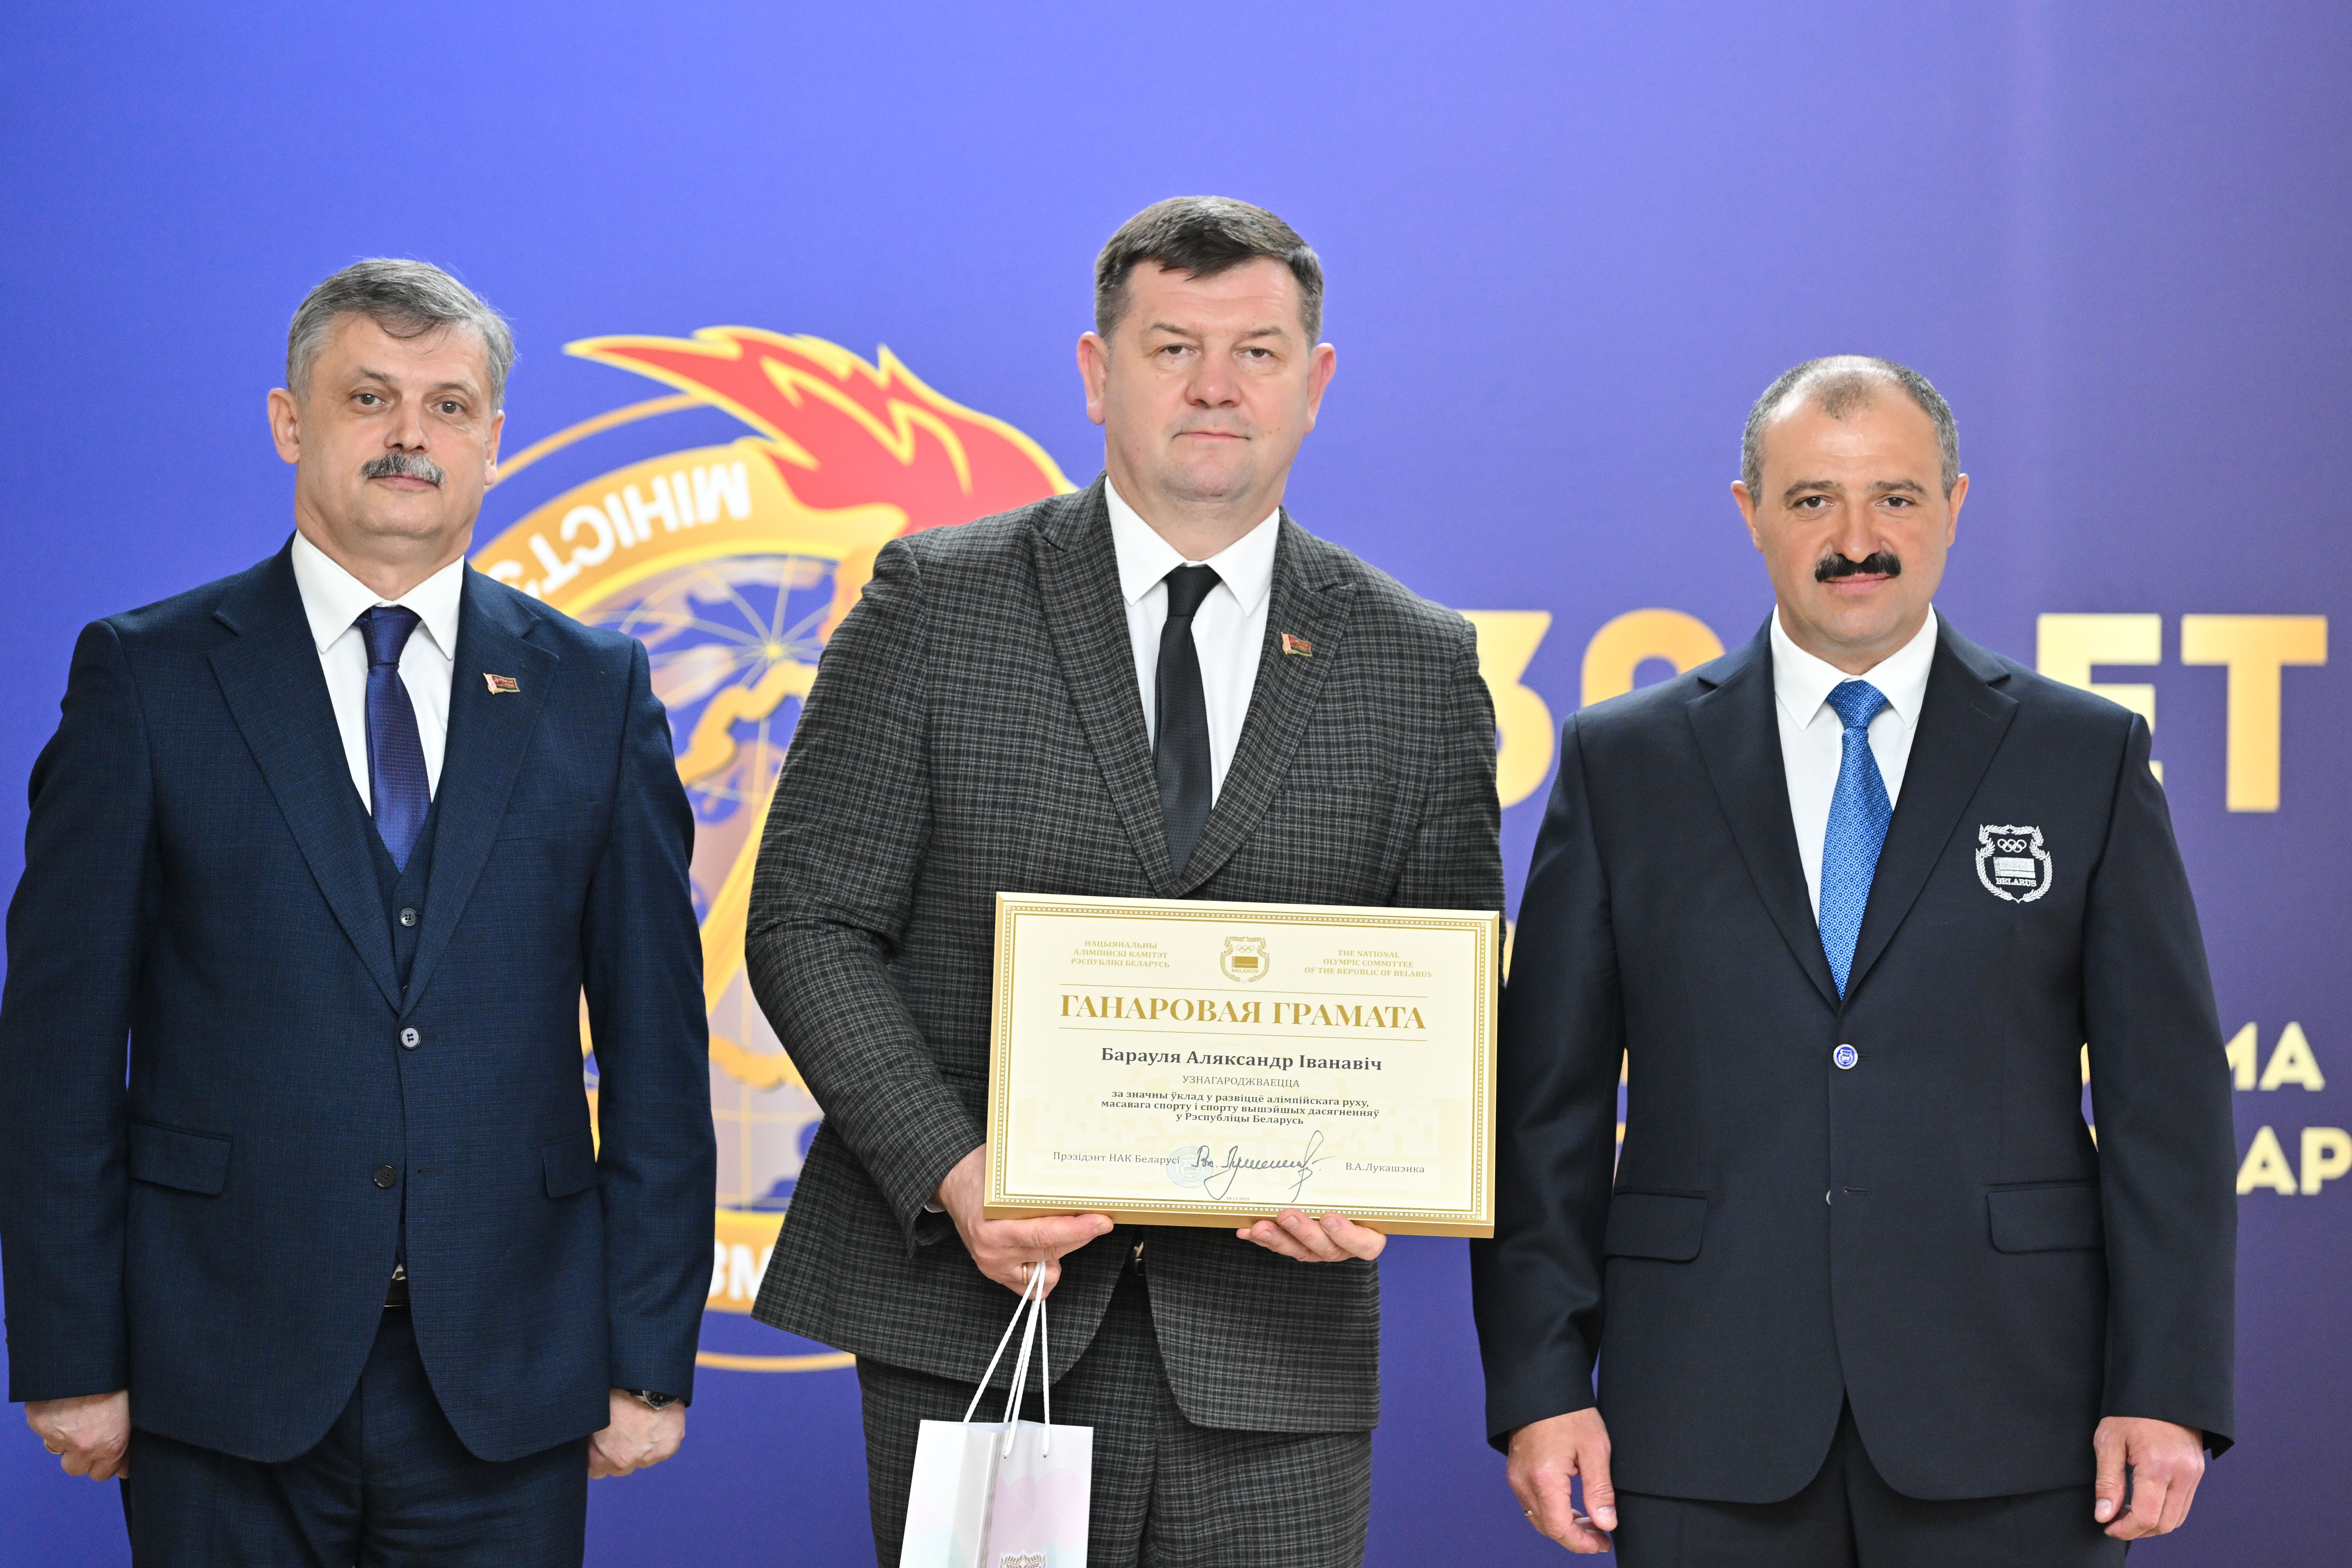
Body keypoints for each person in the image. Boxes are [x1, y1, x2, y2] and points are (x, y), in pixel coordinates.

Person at [745, 196, 1503, 1566]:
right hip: (978, 1321)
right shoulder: (933, 601)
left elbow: (1446, 986)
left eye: (1257, 352)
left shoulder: (1418, 661)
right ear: (1098, 374)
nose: (1216, 385)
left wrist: (1380, 1171)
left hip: (1274, 1357)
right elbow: (809, 921)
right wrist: (954, 1169)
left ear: (1316, 382)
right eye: (1172, 348)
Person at [0, 259, 716, 1565]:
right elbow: (56, 1049)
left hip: (508, 1373)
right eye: (369, 396)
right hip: (216, 1367)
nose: (409, 435)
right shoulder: (148, 677)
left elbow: (658, 1050)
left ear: (494, 440)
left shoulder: (595, 690)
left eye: (449, 406)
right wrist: (70, 1351)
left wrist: (649, 1352)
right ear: (291, 421)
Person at [1472, 357, 2236, 1565]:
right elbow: (1543, 1110)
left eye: (1895, 496)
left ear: (1954, 505)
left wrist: (2166, 1383)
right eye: (1812, 499)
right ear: (1748, 512)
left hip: (2019, 1415)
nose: (1855, 539)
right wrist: (1540, 1383)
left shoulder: (2080, 755)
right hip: (1698, 1416)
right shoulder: (1623, 762)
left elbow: (2168, 1108)